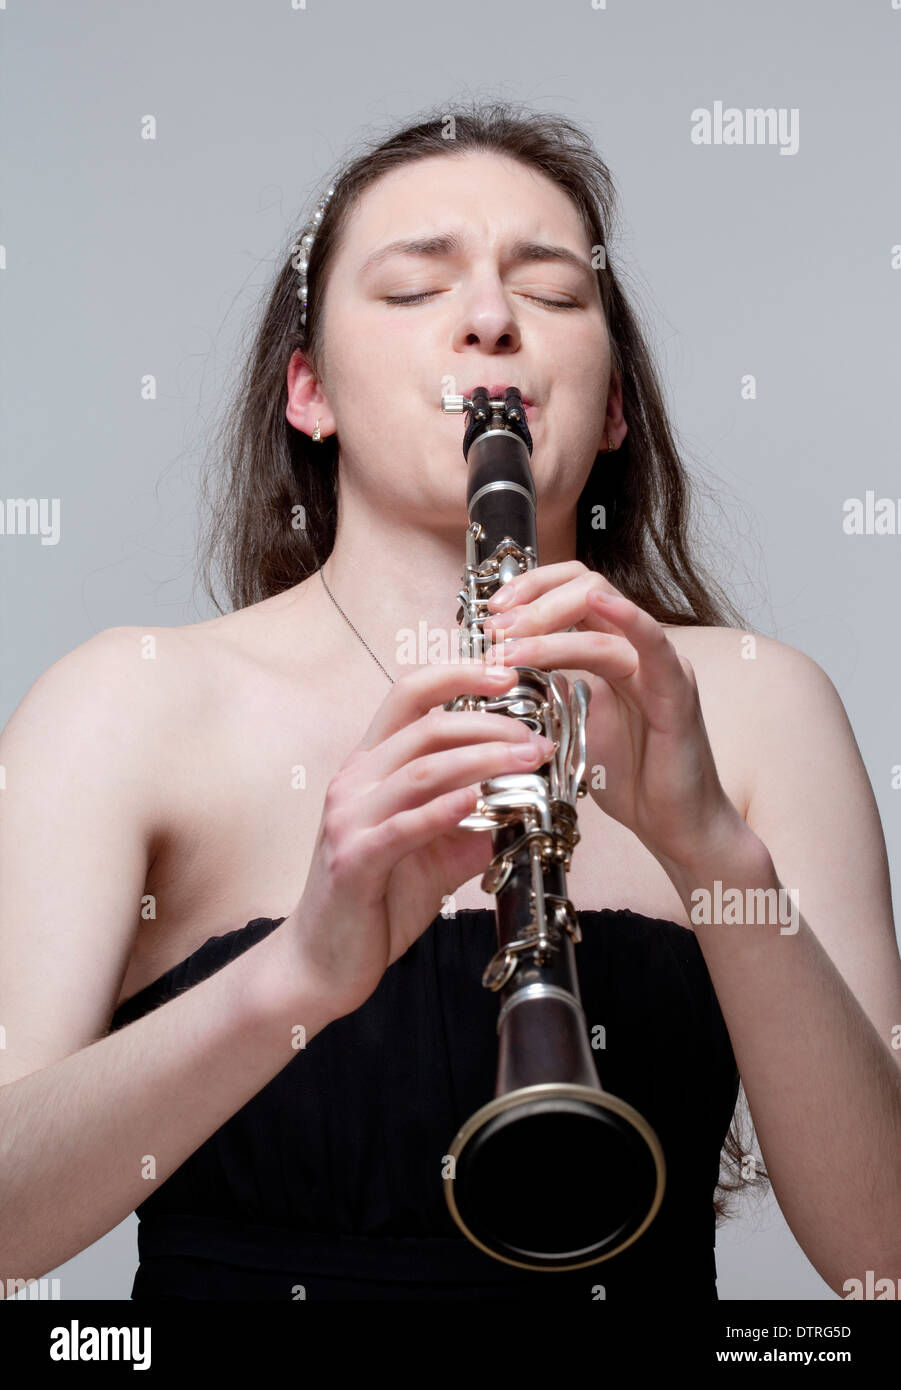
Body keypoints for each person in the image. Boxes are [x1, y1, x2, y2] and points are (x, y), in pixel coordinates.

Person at [1, 102, 899, 1302]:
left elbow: (880, 1262)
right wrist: (293, 979)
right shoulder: (128, 702)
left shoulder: (759, 704)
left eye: (554, 294)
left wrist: (711, 852)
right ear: (307, 392)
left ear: (616, 403)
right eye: (416, 290)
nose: (489, 320)